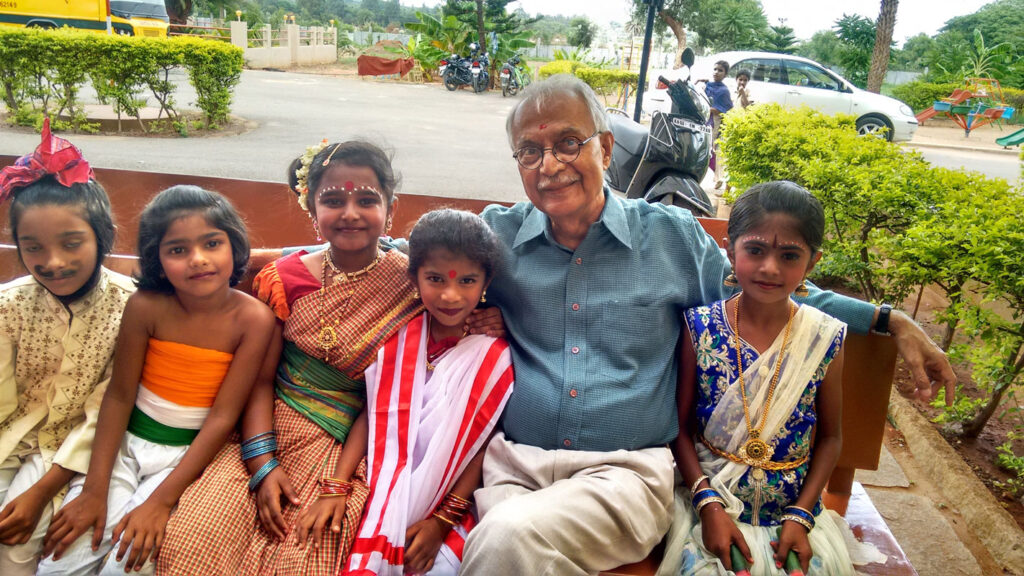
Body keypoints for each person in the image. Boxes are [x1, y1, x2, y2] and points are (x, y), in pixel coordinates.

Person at [459, 74, 955, 576]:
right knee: (499, 548)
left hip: (624, 475)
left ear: (605, 149)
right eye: (530, 151)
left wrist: (889, 319)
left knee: (504, 540)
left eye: (568, 143)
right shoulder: (495, 238)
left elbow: (769, 289)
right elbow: (422, 277)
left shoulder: (671, 240)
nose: (549, 166)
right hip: (514, 469)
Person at [155, 141, 427, 576]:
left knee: (308, 554)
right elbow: (260, 381)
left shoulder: (416, 287)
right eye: (333, 201)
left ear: (390, 209)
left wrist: (337, 485)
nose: (350, 213)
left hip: (348, 447)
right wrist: (263, 465)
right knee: (195, 539)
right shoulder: (286, 278)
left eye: (366, 200)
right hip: (265, 430)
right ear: (312, 210)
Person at [37, 185, 275, 575]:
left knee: (127, 562)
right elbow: (119, 396)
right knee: (62, 561)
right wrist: (94, 489)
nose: (198, 259)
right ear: (158, 260)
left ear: (234, 246)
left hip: (186, 460)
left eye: (212, 243)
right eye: (177, 250)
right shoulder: (146, 307)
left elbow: (222, 418)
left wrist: (161, 502)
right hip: (123, 449)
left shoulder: (253, 320)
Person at [659, 181, 853, 576]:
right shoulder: (700, 328)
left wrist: (801, 516)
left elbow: (831, 438)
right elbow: (679, 428)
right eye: (755, 250)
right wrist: (707, 504)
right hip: (710, 500)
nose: (770, 268)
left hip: (795, 512)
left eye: (789, 255)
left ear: (812, 263)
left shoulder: (823, 337)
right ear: (730, 251)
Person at [341, 209, 513, 576]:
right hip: (377, 484)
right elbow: (375, 415)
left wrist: (442, 520)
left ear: (487, 281)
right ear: (414, 276)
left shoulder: (492, 353)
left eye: (467, 281)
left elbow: (482, 441)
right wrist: (336, 485)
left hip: (452, 503)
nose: (450, 295)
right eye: (435, 279)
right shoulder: (399, 335)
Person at [0, 120, 135, 576]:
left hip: (70, 453)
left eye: (71, 243)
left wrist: (41, 491)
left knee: (19, 542)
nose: (52, 262)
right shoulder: (9, 304)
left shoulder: (130, 308)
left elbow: (105, 409)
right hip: (12, 436)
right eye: (33, 247)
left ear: (102, 236)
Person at [699, 60, 734, 189]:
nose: (716, 72)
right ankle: (717, 176)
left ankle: (721, 177)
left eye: (720, 70)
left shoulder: (724, 91)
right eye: (715, 69)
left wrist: (708, 108)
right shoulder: (707, 85)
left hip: (714, 123)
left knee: (712, 150)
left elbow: (723, 109)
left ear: (725, 74)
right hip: (703, 120)